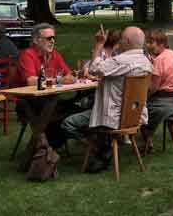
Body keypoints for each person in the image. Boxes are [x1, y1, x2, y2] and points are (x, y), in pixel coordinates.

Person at [61, 26, 152, 172]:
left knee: (69, 121)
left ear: (127, 41)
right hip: (135, 116)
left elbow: (95, 69)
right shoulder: (146, 61)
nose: (120, 43)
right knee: (86, 108)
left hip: (112, 118)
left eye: (122, 39)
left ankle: (98, 146)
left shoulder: (122, 61)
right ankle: (103, 146)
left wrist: (98, 44)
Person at [15, 23, 76, 148]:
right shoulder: (27, 55)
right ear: (36, 40)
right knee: (67, 108)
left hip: (48, 99)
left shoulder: (55, 55)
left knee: (77, 105)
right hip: (28, 103)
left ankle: (52, 143)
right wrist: (58, 81)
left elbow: (68, 74)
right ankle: (48, 146)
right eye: (49, 38)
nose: (52, 41)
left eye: (53, 38)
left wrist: (71, 77)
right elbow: (31, 81)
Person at [141, 29, 173, 153]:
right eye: (147, 43)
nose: (148, 46)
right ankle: (149, 140)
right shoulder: (172, 54)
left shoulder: (160, 61)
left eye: (151, 43)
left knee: (137, 110)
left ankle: (148, 142)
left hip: (163, 104)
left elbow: (153, 89)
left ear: (161, 44)